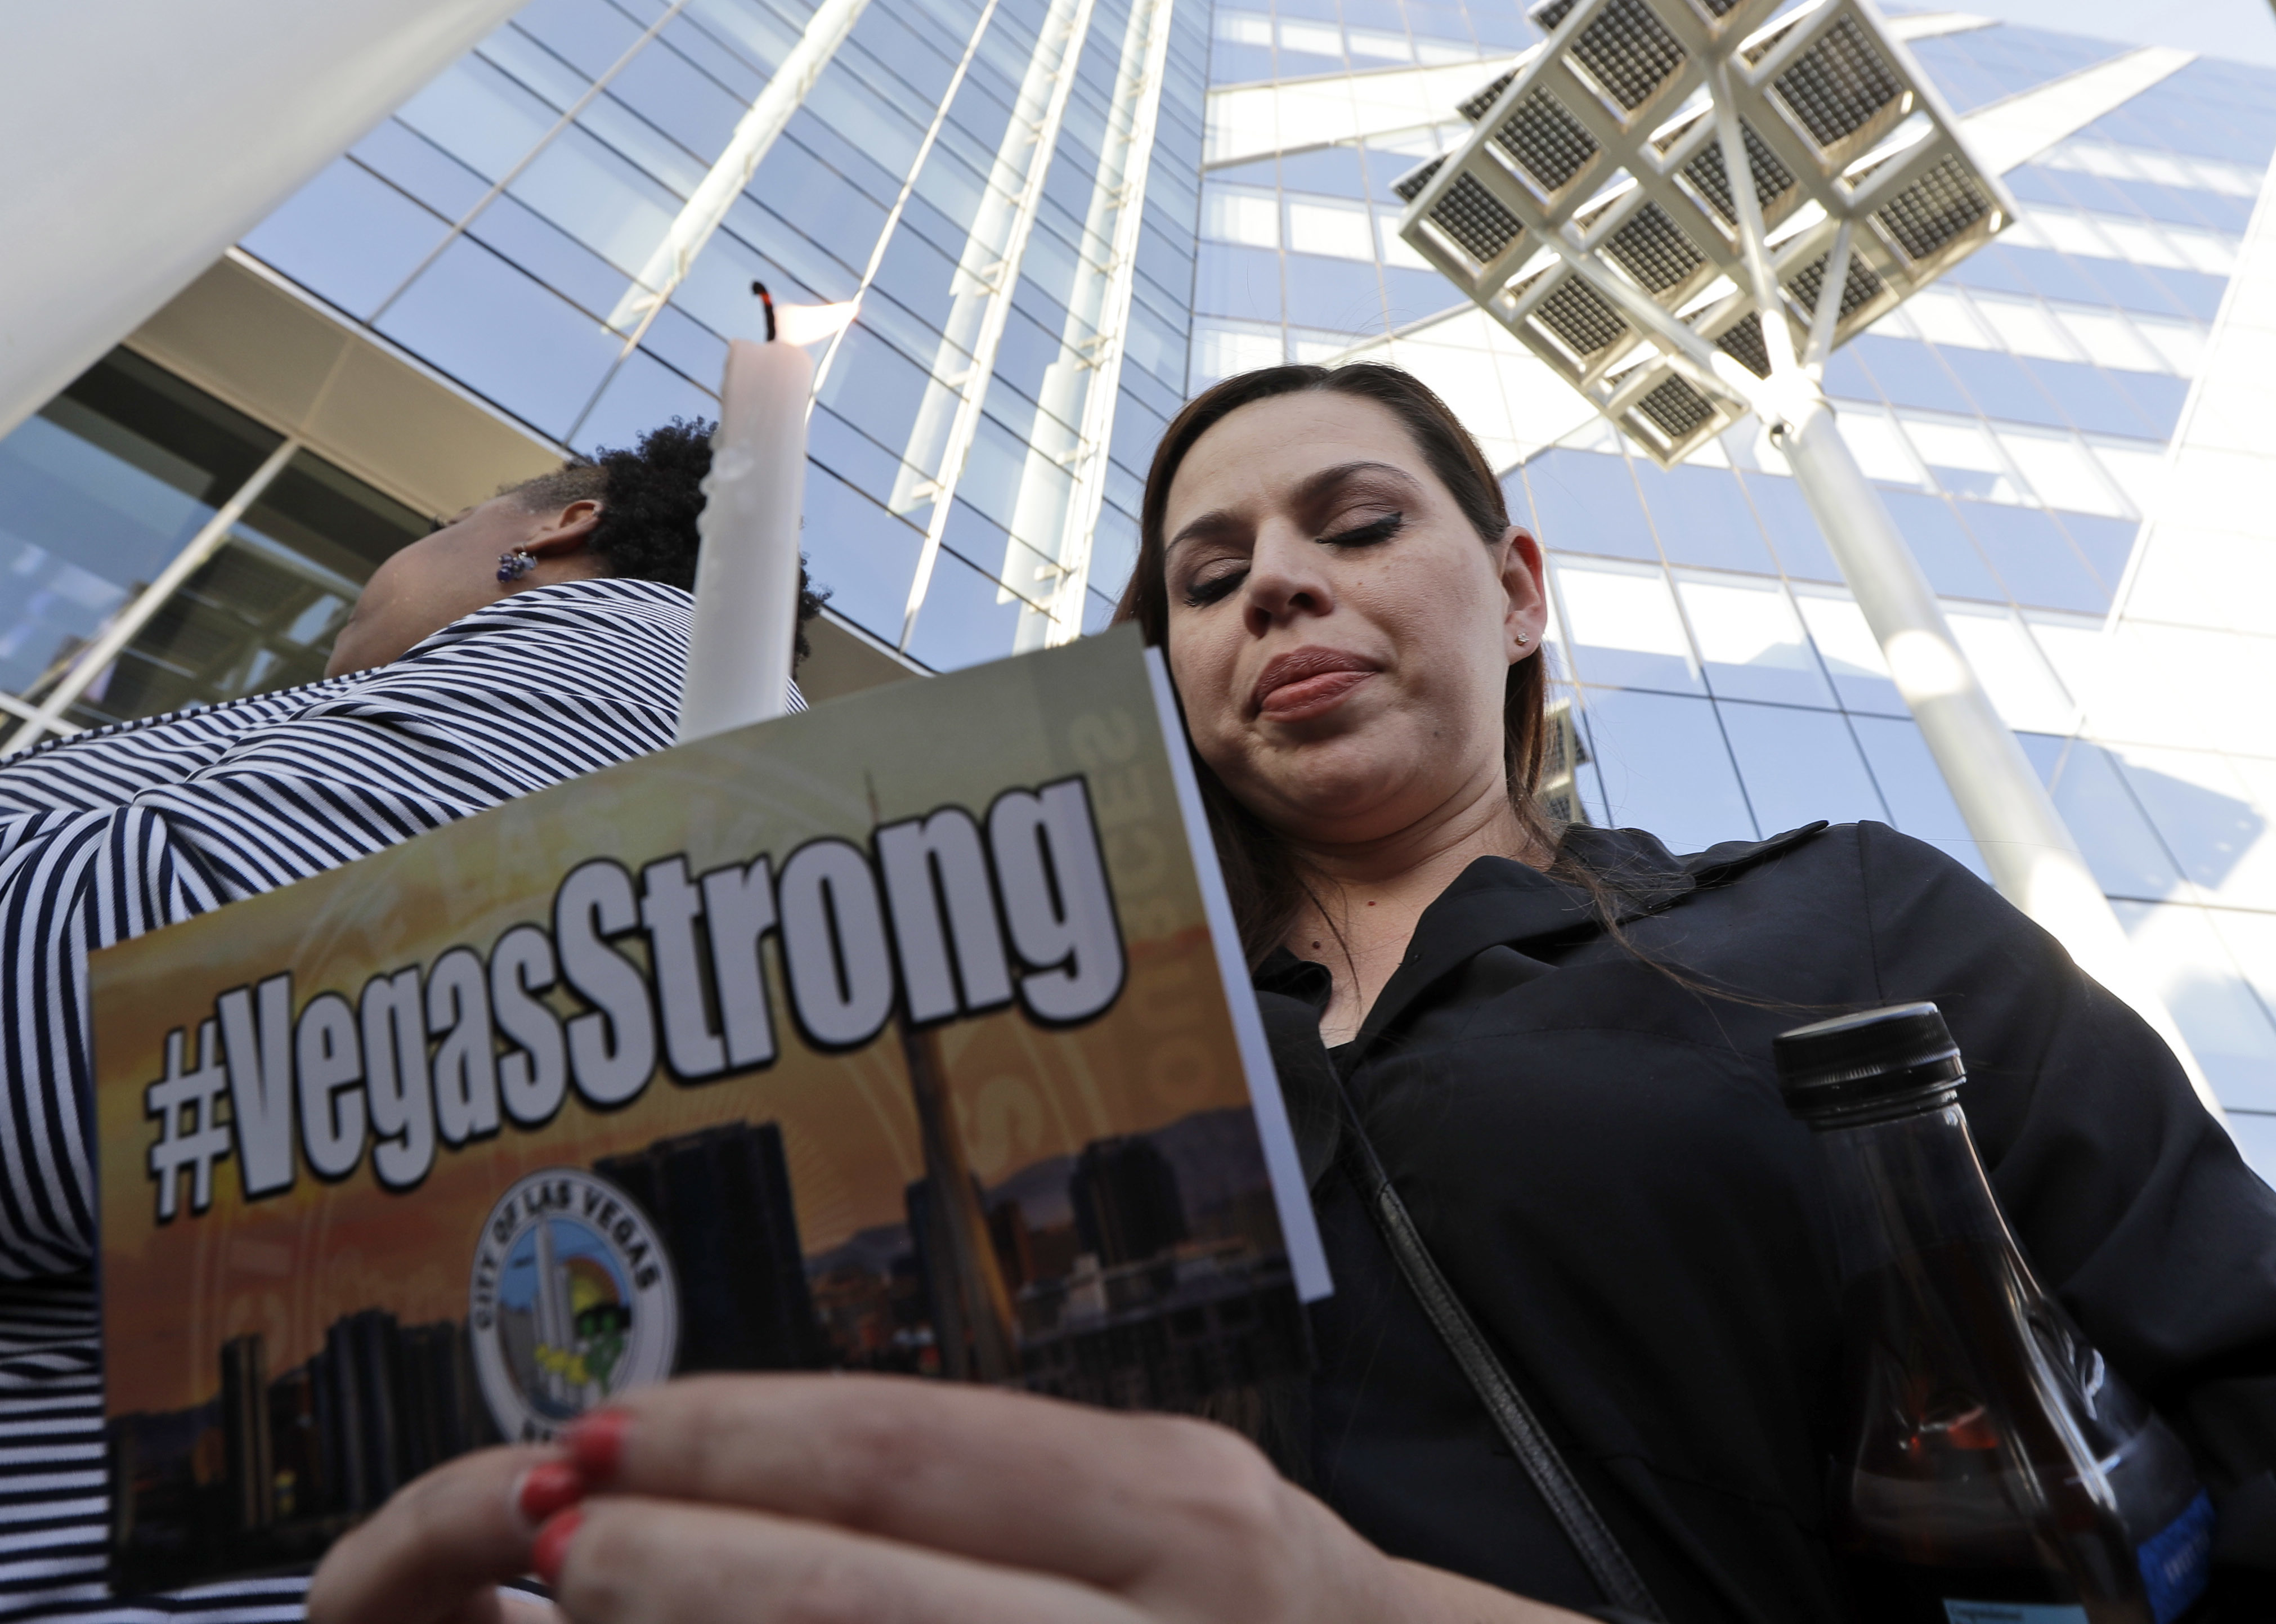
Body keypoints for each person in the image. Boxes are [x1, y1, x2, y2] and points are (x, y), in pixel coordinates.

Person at [302, 364, 2273, 1623]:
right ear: (1159, 671)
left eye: (1355, 525)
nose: (1275, 590)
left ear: (1512, 591)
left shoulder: (1842, 921)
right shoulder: (1014, 1045)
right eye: (1206, 571)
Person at [0, 418, 822, 1624]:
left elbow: (94, 1044)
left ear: (560, 523)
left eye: (444, 526)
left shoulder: (639, 648)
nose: (376, 577)